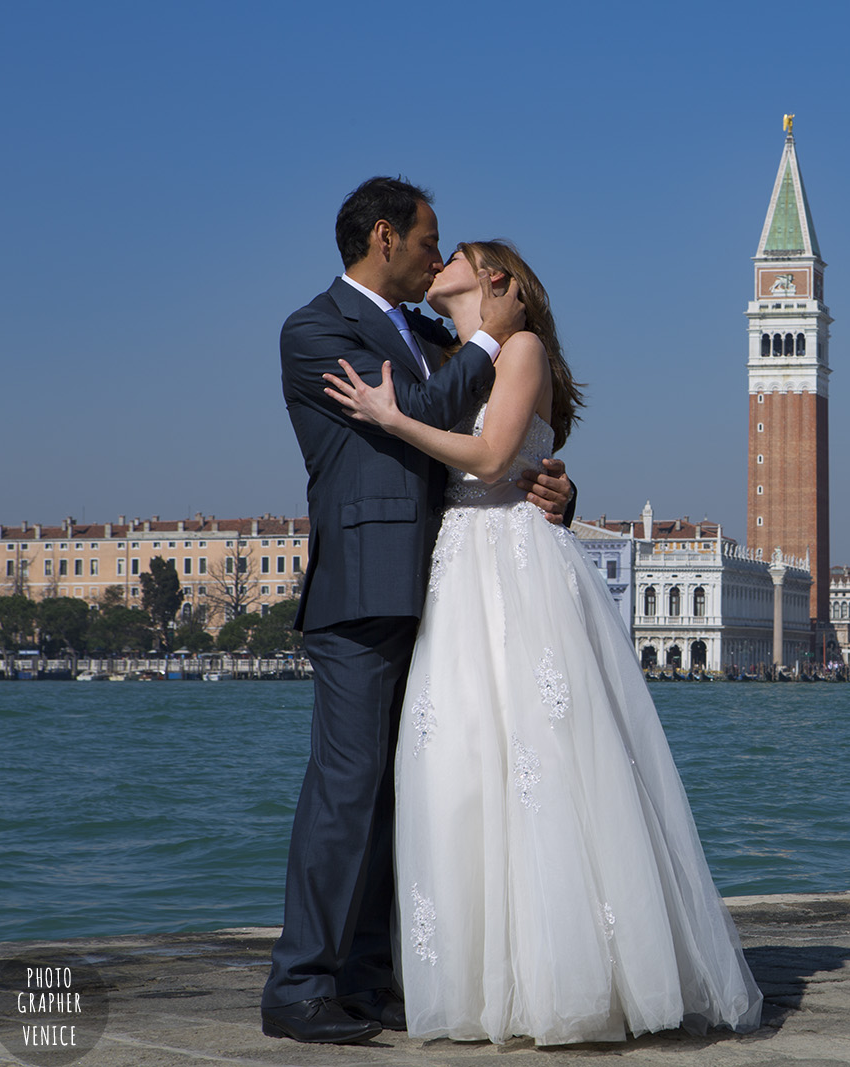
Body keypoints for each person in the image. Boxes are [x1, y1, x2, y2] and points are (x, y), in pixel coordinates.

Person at [324, 240, 762, 1046]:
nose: (440, 258)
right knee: (458, 767)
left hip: (511, 566)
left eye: (454, 252)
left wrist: (392, 416)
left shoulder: (518, 347)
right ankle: (476, 978)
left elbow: (495, 458)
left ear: (500, 280)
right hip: (459, 572)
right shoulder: (440, 349)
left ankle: (562, 975)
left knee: (540, 762)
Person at [262, 179, 576, 1045]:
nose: (438, 258)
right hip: (363, 586)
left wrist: (552, 483)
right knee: (347, 785)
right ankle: (298, 984)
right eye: (428, 241)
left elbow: (493, 435)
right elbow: (417, 416)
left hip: (447, 586)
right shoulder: (314, 330)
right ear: (383, 236)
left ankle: (367, 977)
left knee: (408, 792)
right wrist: (483, 336)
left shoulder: (435, 334)